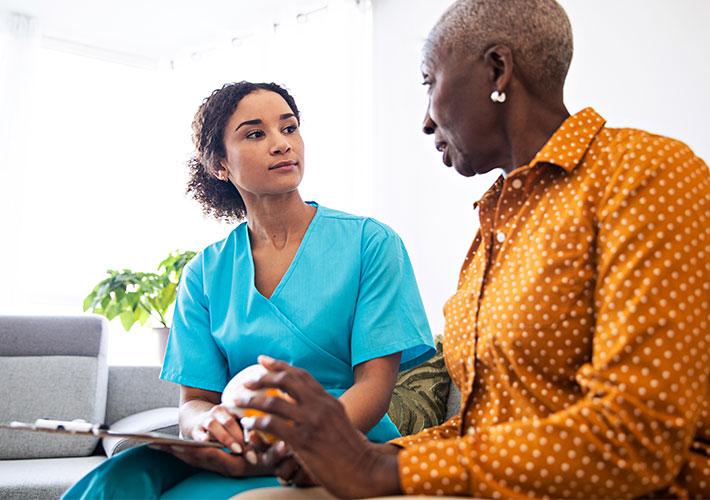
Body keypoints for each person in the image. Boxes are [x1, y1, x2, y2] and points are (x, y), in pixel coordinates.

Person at [229, 1, 710, 498]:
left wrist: (380, 472)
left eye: (429, 82)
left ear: (497, 71)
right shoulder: (496, 223)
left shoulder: (645, 175)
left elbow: (639, 435)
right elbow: (484, 432)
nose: (425, 120)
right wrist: (364, 456)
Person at [62, 81, 435, 499]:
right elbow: (195, 401)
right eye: (255, 134)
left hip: (346, 447)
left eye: (289, 128)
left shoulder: (371, 243)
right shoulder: (203, 272)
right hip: (240, 451)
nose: (281, 144)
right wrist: (206, 426)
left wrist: (302, 444)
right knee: (122, 480)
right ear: (220, 165)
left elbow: (375, 387)